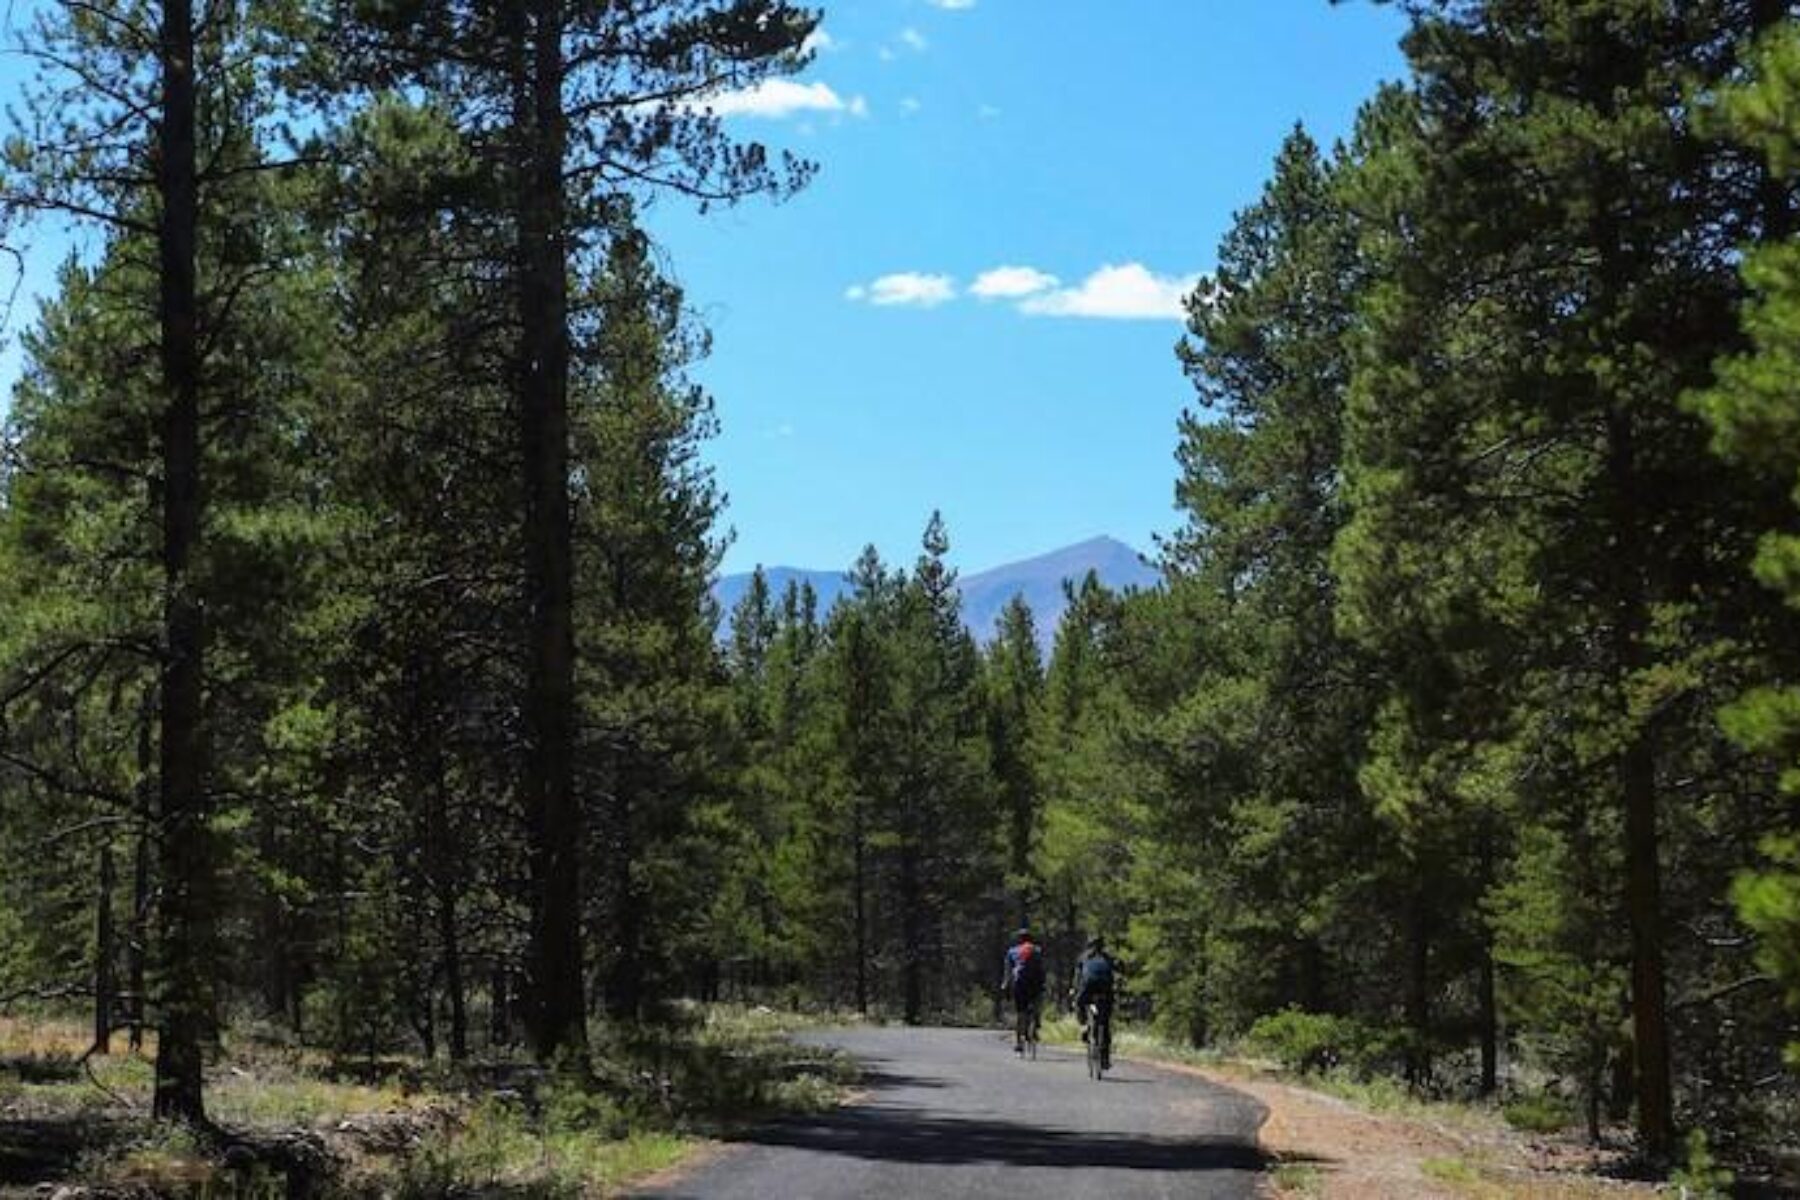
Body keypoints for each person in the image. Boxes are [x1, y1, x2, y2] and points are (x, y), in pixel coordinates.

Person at [999, 927, 1046, 1054]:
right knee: (1037, 1004)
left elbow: (1008, 972)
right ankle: (1035, 1026)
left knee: (1021, 1013)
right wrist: (1043, 984)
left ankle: (1019, 1042)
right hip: (1035, 984)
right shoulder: (1037, 950)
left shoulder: (1012, 951)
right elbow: (1042, 969)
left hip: (1019, 984)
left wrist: (1005, 986)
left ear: (1018, 939)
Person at [1073, 935, 1117, 1069]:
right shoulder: (1108, 958)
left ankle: (1084, 1026)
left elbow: (1077, 977)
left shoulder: (1083, 957)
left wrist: (1075, 990)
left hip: (1088, 987)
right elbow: (1116, 972)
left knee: (1079, 1003)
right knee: (1105, 1022)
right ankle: (1104, 1059)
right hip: (1105, 988)